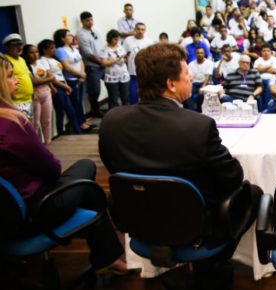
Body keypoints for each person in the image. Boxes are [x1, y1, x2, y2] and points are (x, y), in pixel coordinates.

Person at [98, 43, 261, 290]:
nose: (192, 77)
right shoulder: (198, 126)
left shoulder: (111, 121)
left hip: (139, 220)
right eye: (187, 74)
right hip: (194, 226)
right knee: (253, 194)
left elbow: (114, 169)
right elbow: (233, 177)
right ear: (171, 84)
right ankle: (214, 260)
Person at [0, 55, 127, 275]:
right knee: (87, 175)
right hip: (31, 211)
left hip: (5, 214)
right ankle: (108, 252)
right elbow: (52, 169)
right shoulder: (11, 124)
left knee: (84, 189)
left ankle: (106, 254)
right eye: (10, 77)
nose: (17, 81)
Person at [54, 29, 91, 131]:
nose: (71, 37)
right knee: (76, 102)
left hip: (79, 78)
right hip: (71, 79)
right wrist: (80, 75)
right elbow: (66, 67)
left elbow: (81, 61)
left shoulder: (73, 48)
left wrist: (82, 74)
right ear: (62, 38)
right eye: (69, 35)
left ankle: (82, 120)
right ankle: (79, 123)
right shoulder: (60, 50)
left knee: (80, 101)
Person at [76, 11, 107, 118]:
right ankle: (95, 111)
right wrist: (100, 62)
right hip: (92, 65)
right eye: (87, 20)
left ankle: (113, 106)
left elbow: (102, 46)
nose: (90, 22)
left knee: (111, 83)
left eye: (91, 19)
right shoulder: (81, 34)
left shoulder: (95, 31)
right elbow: (87, 53)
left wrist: (104, 60)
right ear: (82, 21)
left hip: (102, 62)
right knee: (94, 90)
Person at [22, 44, 54, 143]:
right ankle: (37, 145)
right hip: (35, 95)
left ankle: (48, 142)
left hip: (46, 93)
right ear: (26, 54)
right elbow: (34, 82)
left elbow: (51, 75)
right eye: (31, 53)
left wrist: (51, 86)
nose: (35, 55)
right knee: (35, 123)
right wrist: (48, 79)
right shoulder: (26, 66)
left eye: (36, 52)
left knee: (47, 121)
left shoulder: (42, 62)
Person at [1, 34, 34, 119]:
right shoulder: (5, 61)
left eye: (20, 44)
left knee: (29, 126)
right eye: (15, 45)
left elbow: (29, 77)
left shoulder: (22, 60)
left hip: (28, 100)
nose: (19, 48)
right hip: (16, 102)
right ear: (7, 47)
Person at [122, 22, 154, 104]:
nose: (140, 31)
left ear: (145, 30)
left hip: (145, 73)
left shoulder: (149, 42)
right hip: (132, 73)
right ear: (135, 29)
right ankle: (134, 111)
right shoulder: (128, 40)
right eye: (138, 29)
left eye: (142, 29)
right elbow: (124, 54)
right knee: (133, 95)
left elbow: (152, 57)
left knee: (146, 94)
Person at [187, 47, 214, 111]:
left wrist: (202, 87)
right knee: (187, 93)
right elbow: (190, 77)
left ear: (204, 54)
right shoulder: (191, 64)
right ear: (195, 54)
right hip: (194, 83)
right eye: (198, 53)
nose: (200, 54)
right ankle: (192, 110)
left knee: (202, 93)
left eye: (201, 53)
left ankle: (201, 110)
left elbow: (208, 76)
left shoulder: (209, 63)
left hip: (205, 82)